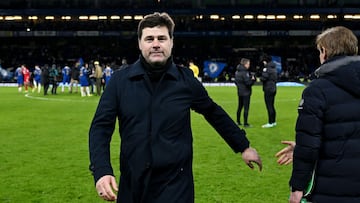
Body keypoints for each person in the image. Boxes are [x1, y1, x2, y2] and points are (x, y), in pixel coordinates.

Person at [89, 12, 262, 203]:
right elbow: (101, 127)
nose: (156, 44)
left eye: (162, 38)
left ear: (171, 42)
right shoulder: (120, 81)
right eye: (149, 39)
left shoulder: (185, 80)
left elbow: (213, 112)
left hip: (176, 187)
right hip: (133, 186)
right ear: (140, 43)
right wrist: (102, 170)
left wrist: (243, 146)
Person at [279, 26, 360, 203]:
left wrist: (297, 188)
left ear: (325, 51)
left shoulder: (317, 90)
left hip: (333, 188)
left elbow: (309, 145)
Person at [234, 58, 255, 127]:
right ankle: (245, 123)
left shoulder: (237, 72)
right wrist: (252, 80)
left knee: (239, 107)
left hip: (240, 92)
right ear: (245, 64)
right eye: (248, 64)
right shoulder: (245, 73)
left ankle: (238, 121)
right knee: (246, 108)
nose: (249, 65)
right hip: (246, 92)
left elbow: (236, 82)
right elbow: (248, 83)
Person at [260, 54, 277, 128]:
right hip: (273, 88)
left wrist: (260, 78)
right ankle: (273, 121)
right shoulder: (274, 68)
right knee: (272, 105)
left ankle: (270, 122)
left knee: (269, 106)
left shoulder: (266, 68)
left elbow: (264, 78)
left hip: (268, 89)